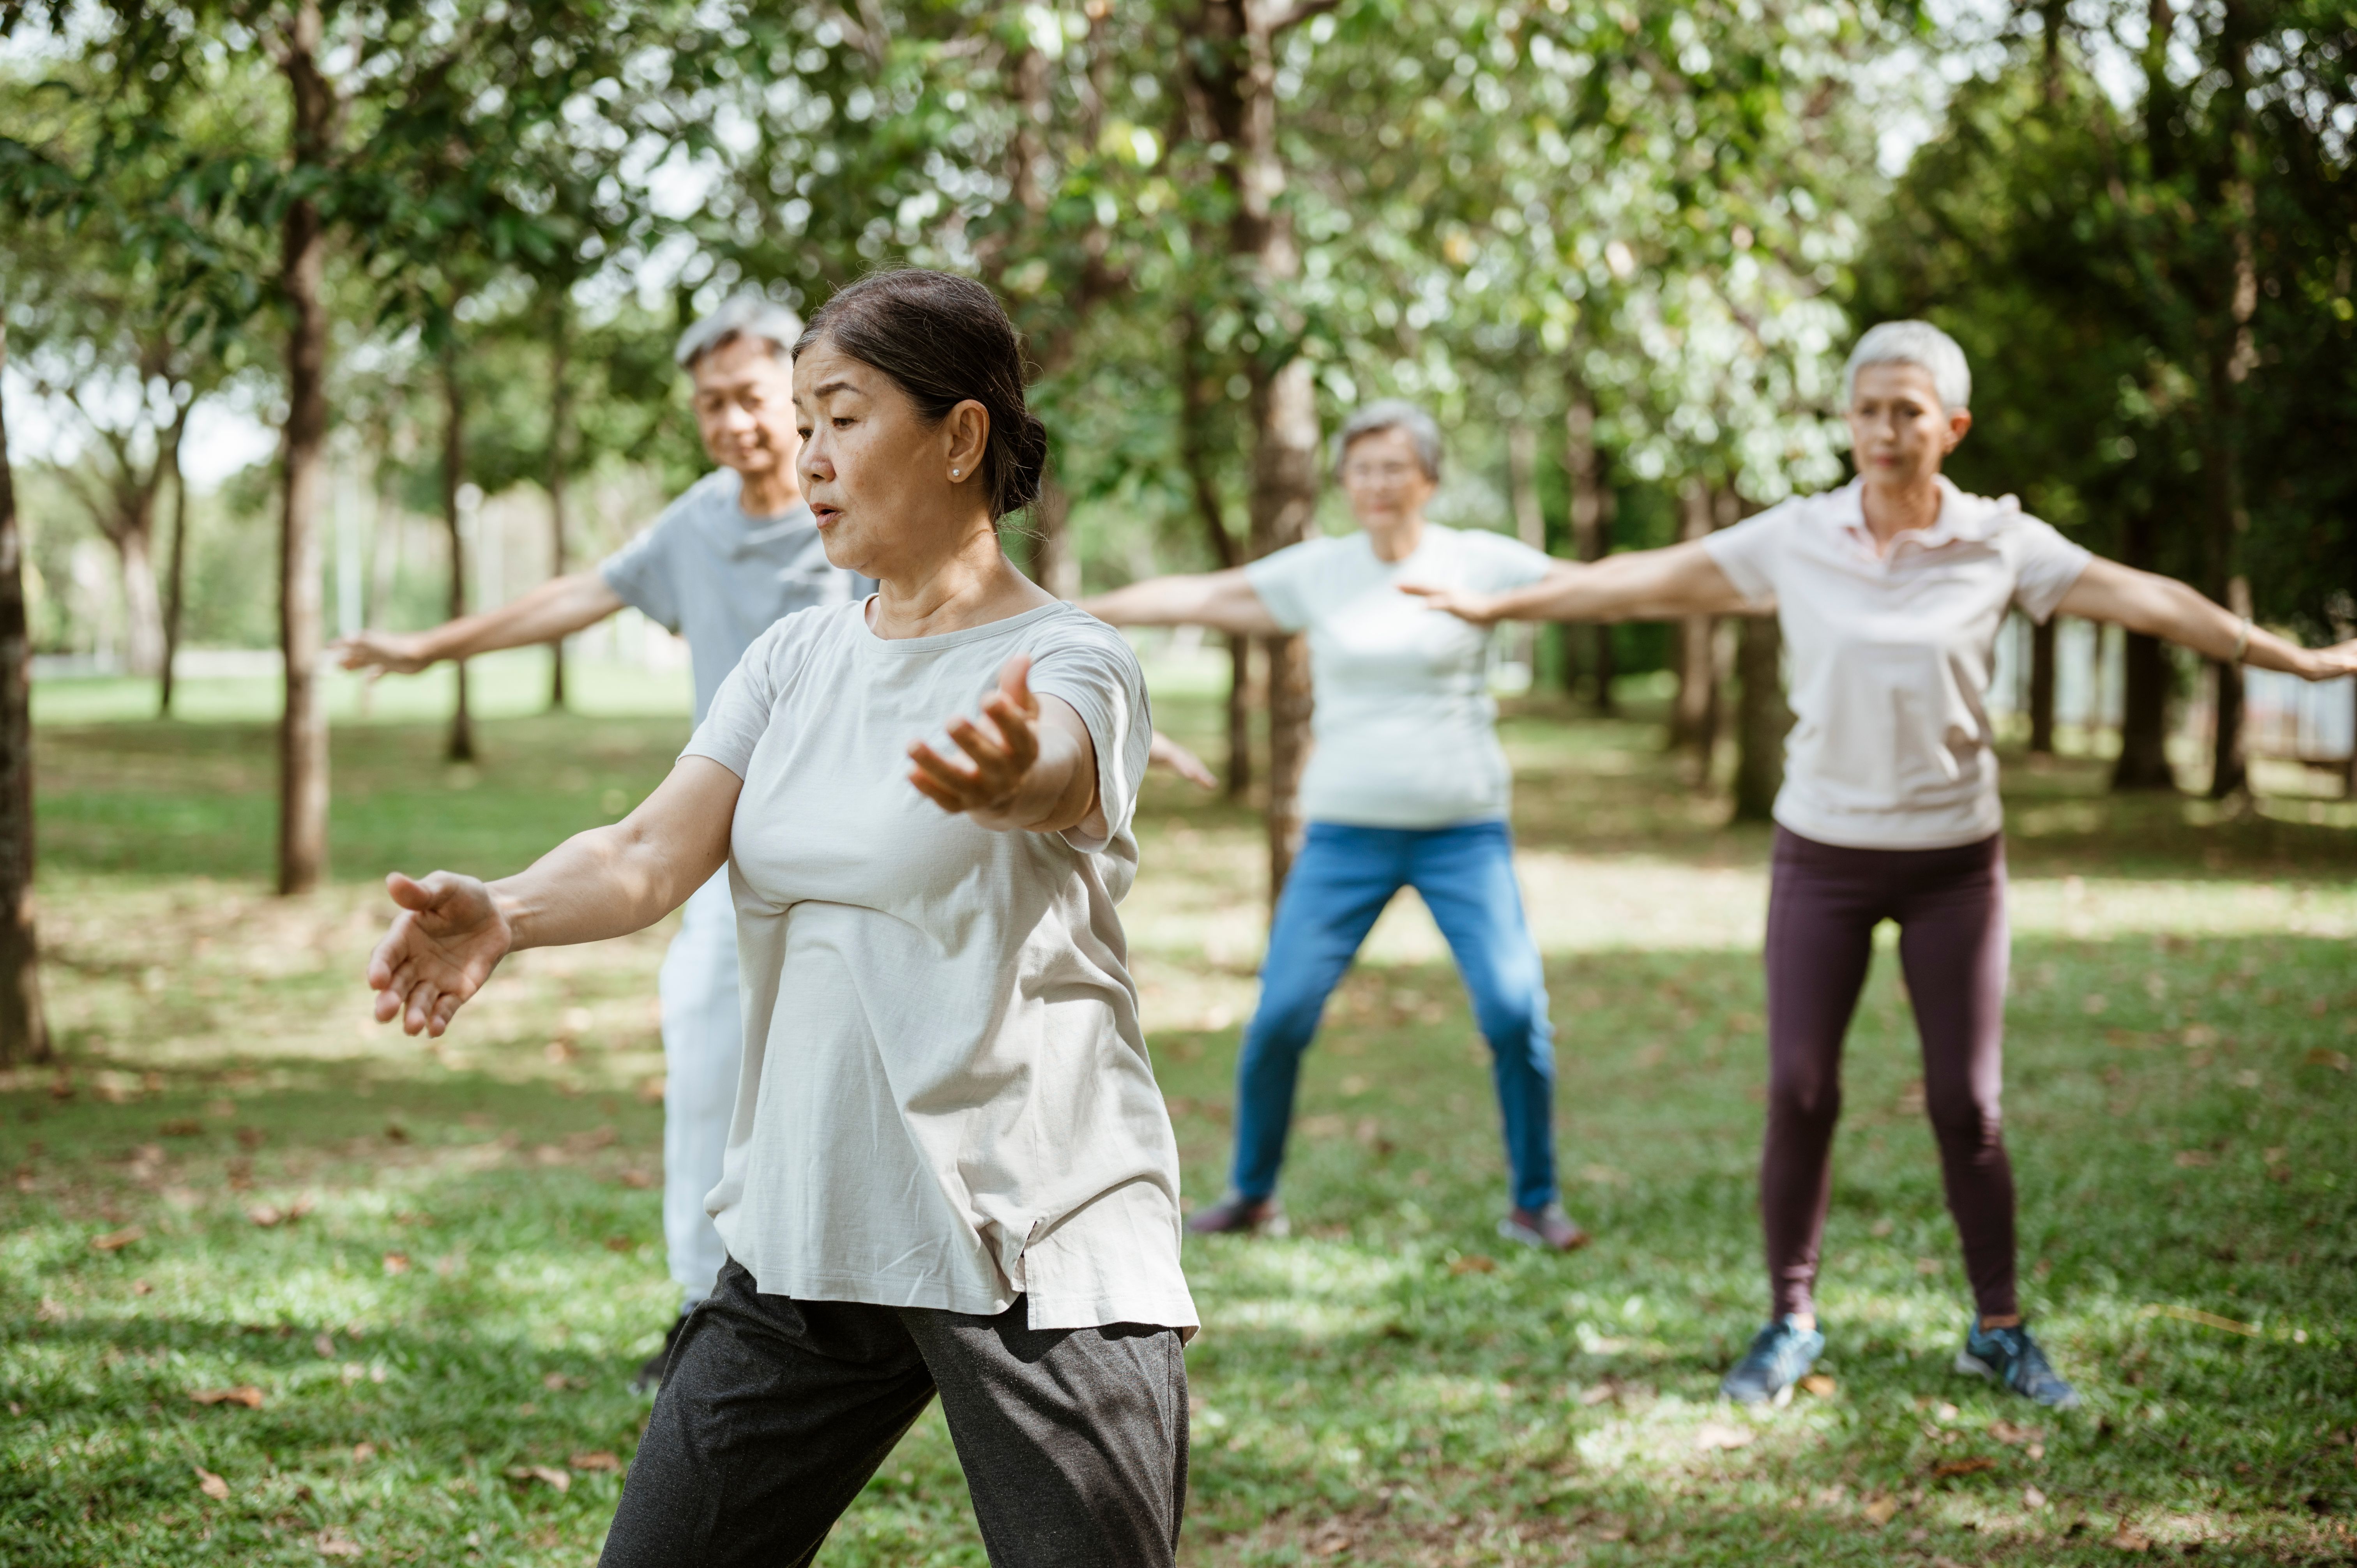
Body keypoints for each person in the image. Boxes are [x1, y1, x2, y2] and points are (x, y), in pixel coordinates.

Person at [361, 269, 1194, 1565]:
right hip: (814, 1226)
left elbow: (1059, 769)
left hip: (1033, 1235)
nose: (805, 458)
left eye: (842, 418)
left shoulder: (1071, 659)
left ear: (961, 436)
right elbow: (648, 849)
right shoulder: (795, 658)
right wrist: (507, 911)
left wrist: (1005, 777)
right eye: (799, 420)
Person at [1406, 320, 2357, 1409]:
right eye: (1867, 410)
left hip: (1956, 860)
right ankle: (1789, 1319)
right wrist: (1500, 605)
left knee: (1968, 1104)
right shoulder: (1796, 538)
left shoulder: (2002, 541)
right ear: (1848, 422)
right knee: (1801, 1089)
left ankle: (1998, 1327)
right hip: (1824, 853)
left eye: (1908, 411)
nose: (1884, 430)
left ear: (1950, 428)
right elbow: (1639, 581)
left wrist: (2297, 659)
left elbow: (2148, 598)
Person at [333, 291, 868, 1390]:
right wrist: (434, 649)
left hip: (869, 848)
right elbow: (581, 593)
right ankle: (702, 1307)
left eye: (754, 400)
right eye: (712, 405)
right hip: (728, 845)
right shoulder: (698, 524)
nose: (736, 424)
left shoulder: (857, 512)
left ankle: (870, 1308)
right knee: (710, 1063)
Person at [1081, 400, 1588, 1253]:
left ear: (1428, 476)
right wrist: (1071, 605)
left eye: (1396, 466)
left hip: (1462, 831)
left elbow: (1591, 591)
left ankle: (1536, 1200)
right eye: (1363, 468)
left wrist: (1495, 606)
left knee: (1512, 1012)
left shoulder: (1479, 561)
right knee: (1280, 1015)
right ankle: (1252, 1191)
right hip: (1345, 835)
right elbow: (1207, 595)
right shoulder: (1323, 571)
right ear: (1345, 482)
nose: (1379, 483)